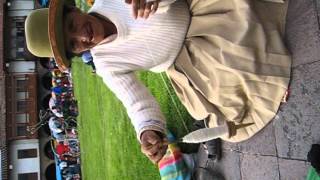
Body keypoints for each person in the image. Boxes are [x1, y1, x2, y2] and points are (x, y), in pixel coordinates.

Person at [25, 0, 291, 164]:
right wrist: (147, 131)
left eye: (72, 25)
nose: (82, 37)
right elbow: (135, 101)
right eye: (74, 44)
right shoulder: (106, 63)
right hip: (190, 60)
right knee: (230, 88)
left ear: (74, 10)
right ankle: (266, 81)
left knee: (242, 14)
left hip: (199, 8)